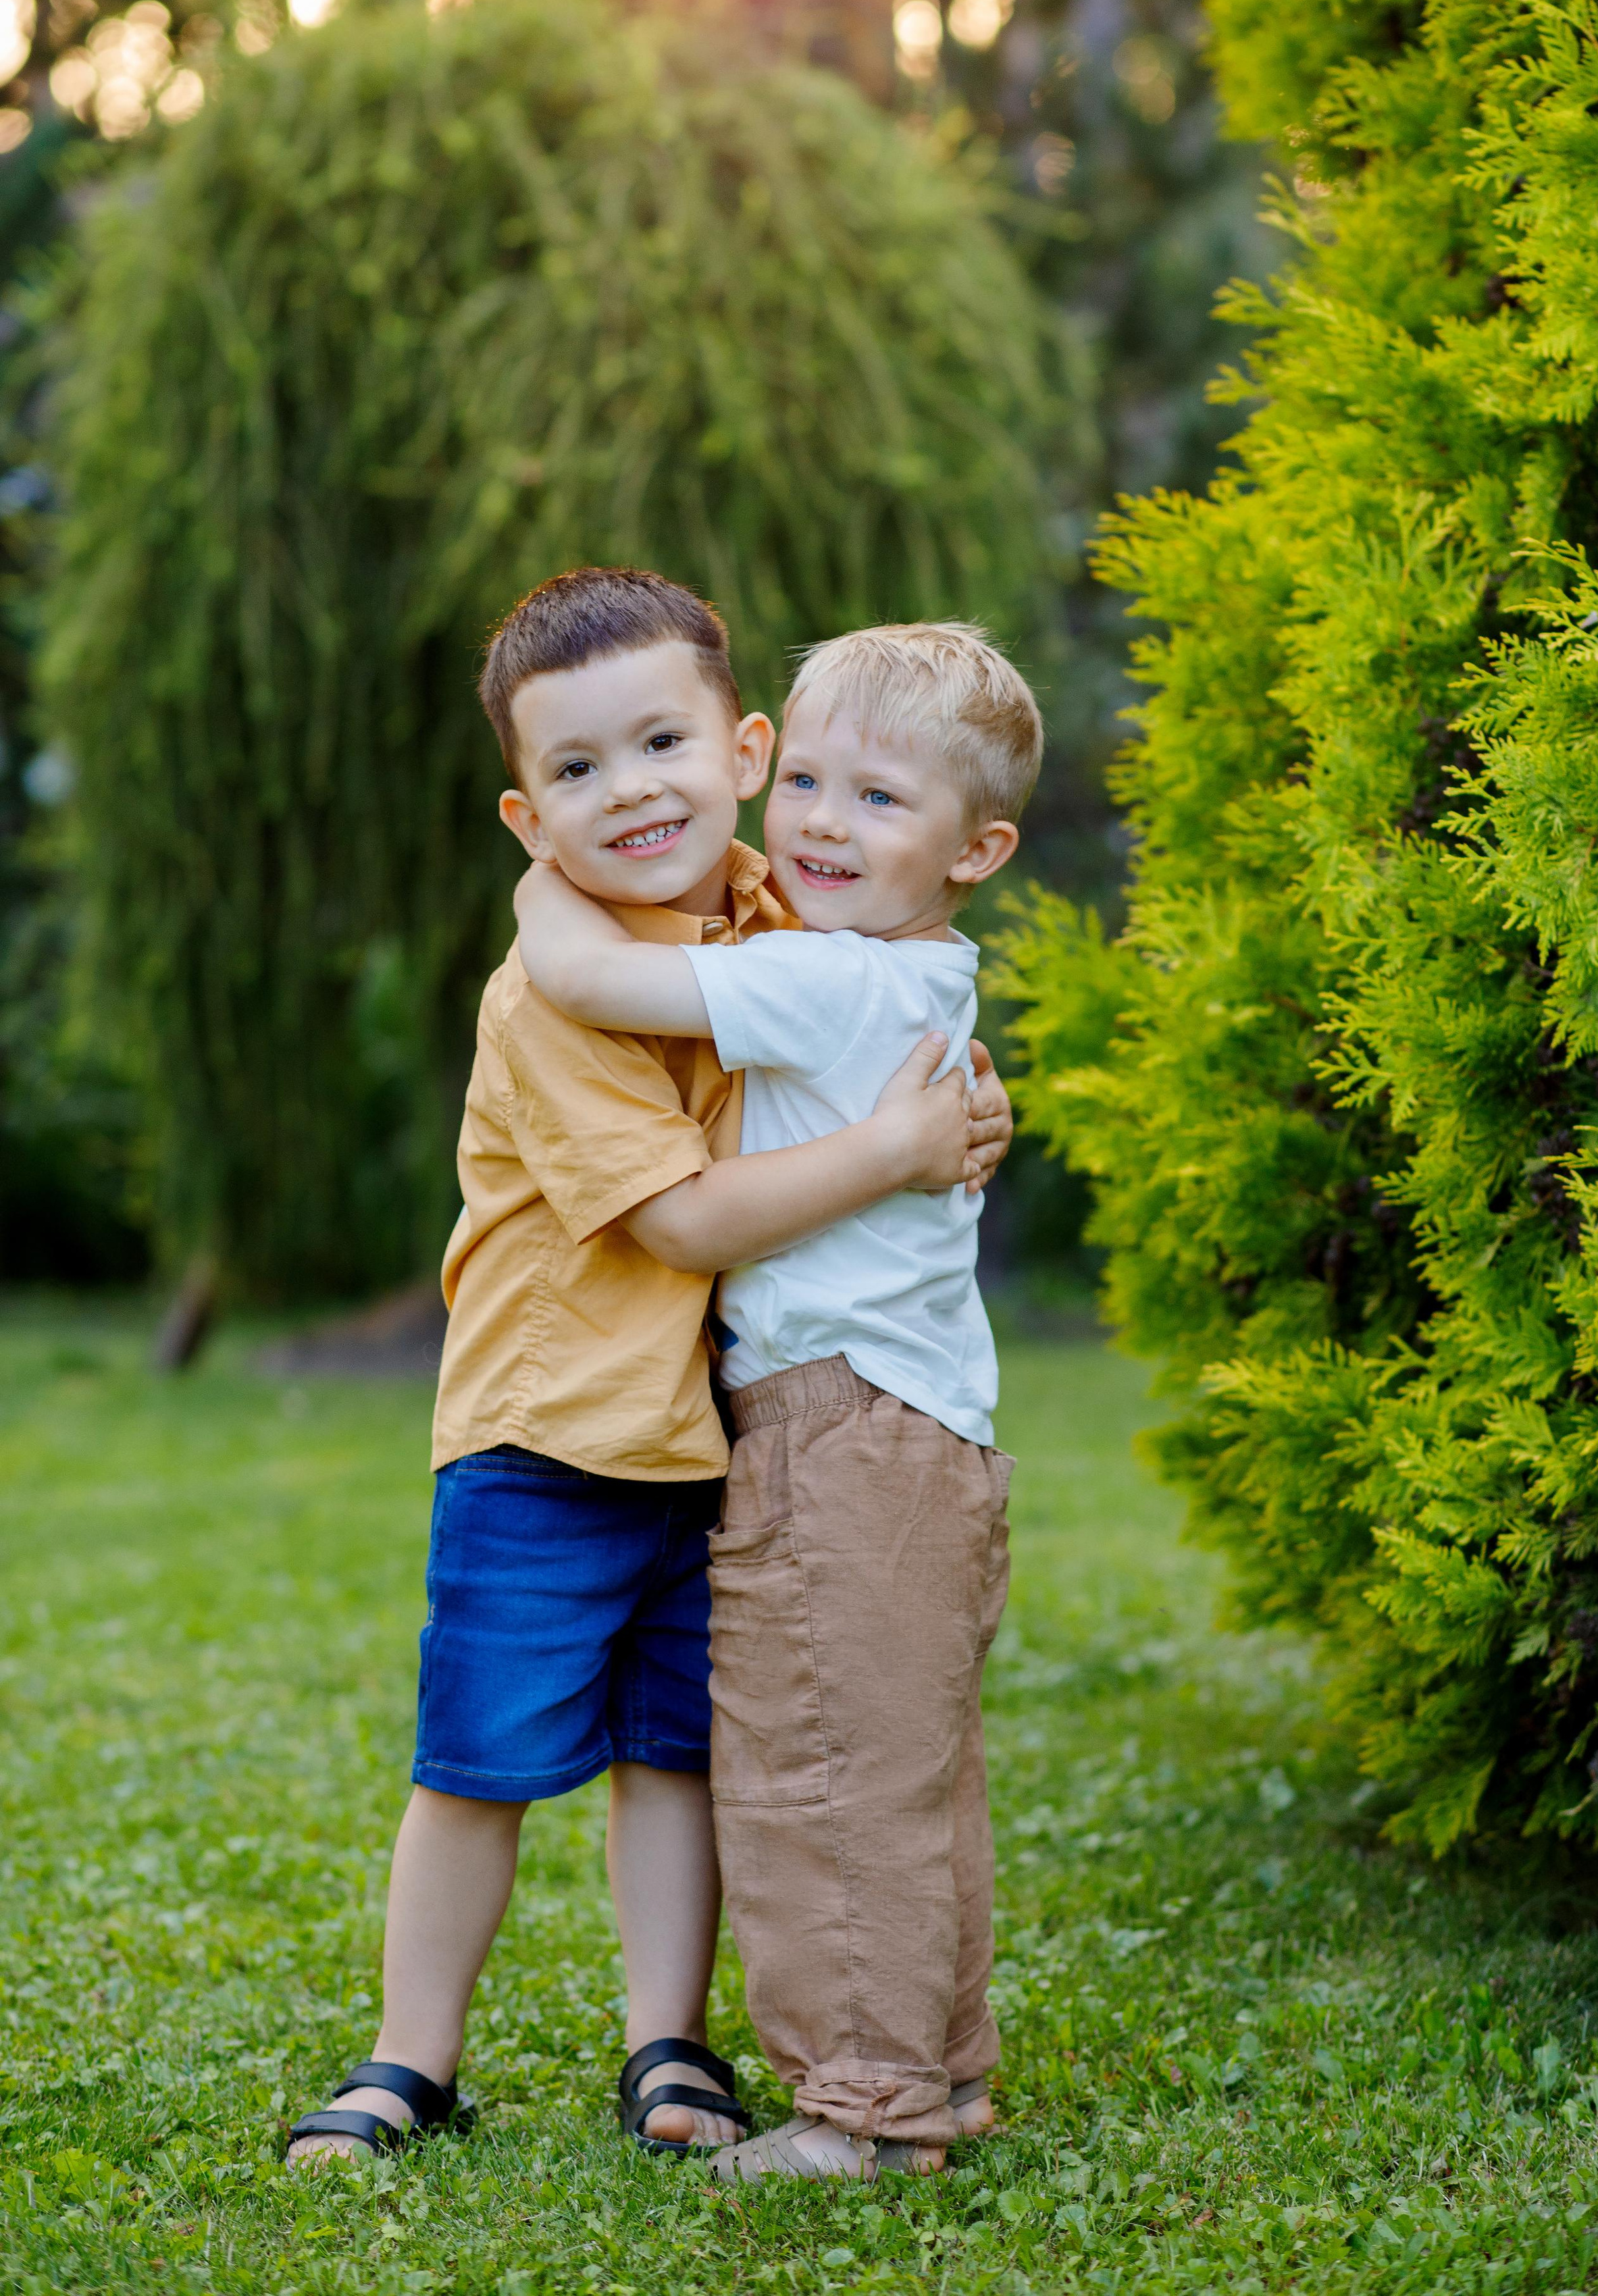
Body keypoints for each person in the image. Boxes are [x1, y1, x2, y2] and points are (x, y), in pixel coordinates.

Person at [285, 572, 1012, 2167]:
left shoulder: (780, 910)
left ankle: (666, 2046)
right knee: (477, 1763)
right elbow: (682, 1224)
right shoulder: (548, 1001)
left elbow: (890, 989)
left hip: (714, 1437)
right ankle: (413, 2056)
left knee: (674, 1756)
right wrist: (898, 1148)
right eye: (577, 771)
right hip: (549, 1435)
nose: (631, 792)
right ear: (525, 813)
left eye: (662, 743)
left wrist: (958, 1102)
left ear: (743, 749)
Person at [513, 619, 1040, 2181]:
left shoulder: (822, 980)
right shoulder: (926, 979)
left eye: (878, 800)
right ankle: (936, 2078)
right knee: (910, 1772)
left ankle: (860, 2116)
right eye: (803, 778)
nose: (817, 820)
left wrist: (549, 861)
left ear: (977, 849)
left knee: (814, 1770)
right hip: (929, 1428)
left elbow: (587, 975)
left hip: (837, 1427)